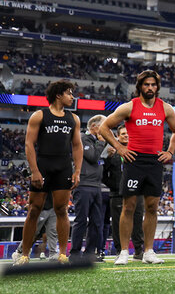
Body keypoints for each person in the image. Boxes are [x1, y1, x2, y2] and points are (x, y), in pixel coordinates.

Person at [99, 70, 175, 265]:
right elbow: (104, 127)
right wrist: (120, 147)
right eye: (146, 84)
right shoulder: (129, 107)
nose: (150, 88)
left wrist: (170, 152)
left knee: (152, 207)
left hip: (154, 161)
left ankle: (148, 251)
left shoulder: (165, 108)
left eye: (153, 85)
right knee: (128, 207)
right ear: (140, 87)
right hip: (134, 160)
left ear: (157, 87)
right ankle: (123, 252)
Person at [14, 80, 82, 266]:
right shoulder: (39, 116)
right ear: (58, 95)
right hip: (43, 166)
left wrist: (77, 171)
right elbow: (29, 144)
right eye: (69, 93)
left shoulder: (73, 118)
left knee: (62, 210)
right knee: (34, 210)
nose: (72, 97)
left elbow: (77, 146)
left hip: (63, 167)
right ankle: (24, 255)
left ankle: (61, 254)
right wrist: (34, 171)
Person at [103, 125, 144, 259]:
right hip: (117, 194)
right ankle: (120, 251)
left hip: (137, 192)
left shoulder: (138, 150)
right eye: (123, 134)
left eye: (128, 133)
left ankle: (138, 251)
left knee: (137, 222)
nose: (126, 135)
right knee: (117, 224)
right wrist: (115, 186)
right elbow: (103, 174)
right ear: (118, 136)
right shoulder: (112, 153)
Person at [71, 114, 106, 261]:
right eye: (104, 126)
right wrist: (101, 143)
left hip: (96, 185)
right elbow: (92, 157)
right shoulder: (83, 138)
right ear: (94, 127)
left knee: (96, 221)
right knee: (81, 220)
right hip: (84, 184)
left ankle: (90, 253)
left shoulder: (96, 141)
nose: (107, 129)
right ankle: (74, 254)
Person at [12, 193, 58, 263]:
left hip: (54, 205)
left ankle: (53, 255)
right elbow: (34, 186)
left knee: (53, 231)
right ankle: (20, 252)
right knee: (33, 233)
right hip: (41, 206)